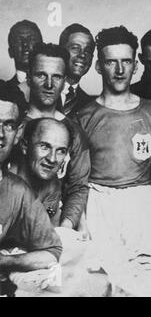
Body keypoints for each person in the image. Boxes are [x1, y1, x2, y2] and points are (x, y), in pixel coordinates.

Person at [77, 26, 151, 276]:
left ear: (135, 66)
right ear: (98, 66)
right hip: (99, 205)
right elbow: (76, 180)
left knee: (149, 280)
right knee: (102, 280)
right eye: (111, 62)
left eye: (126, 61)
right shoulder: (83, 116)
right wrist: (82, 223)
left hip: (141, 205)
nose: (119, 70)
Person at [0, 86, 62, 292]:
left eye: (8, 125)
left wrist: (5, 262)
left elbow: (51, 252)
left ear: (18, 134)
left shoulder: (18, 190)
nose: (0, 134)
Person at [23, 42, 90, 231]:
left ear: (64, 81)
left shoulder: (74, 132)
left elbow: (78, 187)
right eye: (41, 75)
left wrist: (66, 228)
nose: (49, 84)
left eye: (57, 77)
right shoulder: (13, 126)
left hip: (54, 224)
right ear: (28, 78)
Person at [13, 118, 72, 227]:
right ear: (25, 146)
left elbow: (49, 233)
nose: (52, 159)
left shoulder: (53, 187)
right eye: (45, 147)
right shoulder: (4, 181)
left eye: (60, 151)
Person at [58, 23, 96, 117]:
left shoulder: (90, 105)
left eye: (87, 50)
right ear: (60, 50)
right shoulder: (40, 92)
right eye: (75, 48)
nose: (82, 55)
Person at [6, 20, 43, 88]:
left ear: (42, 47)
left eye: (31, 39)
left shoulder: (60, 89)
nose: (25, 44)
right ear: (10, 52)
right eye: (18, 40)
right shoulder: (2, 92)